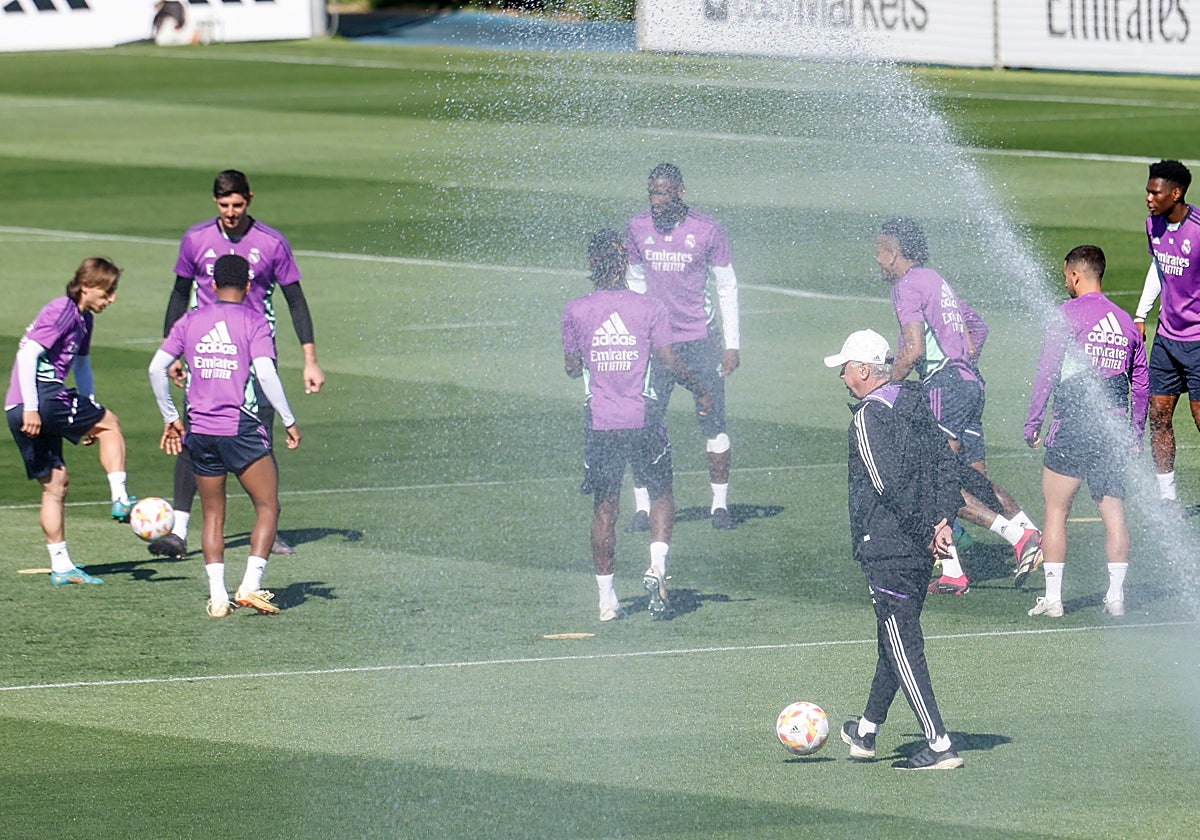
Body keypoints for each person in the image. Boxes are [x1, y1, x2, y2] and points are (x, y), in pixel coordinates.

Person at [149, 169, 324, 560]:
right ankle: (178, 532)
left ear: (250, 199)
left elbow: (295, 299)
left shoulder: (271, 243)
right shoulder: (196, 239)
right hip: (208, 354)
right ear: (215, 201)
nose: (231, 212)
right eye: (225, 205)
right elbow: (179, 294)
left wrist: (310, 359)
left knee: (260, 438)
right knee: (195, 434)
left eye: (238, 205)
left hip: (256, 354)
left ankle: (269, 530)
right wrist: (171, 351)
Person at [877, 217, 1044, 593]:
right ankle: (1024, 534)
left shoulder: (906, 286)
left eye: (879, 252)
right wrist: (962, 364)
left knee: (932, 480)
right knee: (969, 478)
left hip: (945, 387)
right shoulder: (936, 281)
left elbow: (913, 349)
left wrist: (888, 390)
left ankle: (1016, 539)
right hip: (969, 385)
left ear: (893, 253)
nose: (877, 260)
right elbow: (977, 328)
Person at [824, 329, 964, 770]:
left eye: (845, 369)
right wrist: (943, 521)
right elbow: (947, 464)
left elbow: (887, 486)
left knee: (903, 644)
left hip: (888, 548)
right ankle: (865, 731)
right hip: (916, 547)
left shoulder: (867, 418)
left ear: (864, 371)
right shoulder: (916, 404)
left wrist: (925, 529)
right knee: (894, 638)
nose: (842, 378)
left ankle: (939, 744)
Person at [562, 230, 712, 621]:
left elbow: (572, 367)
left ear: (591, 265)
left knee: (605, 508)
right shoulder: (650, 308)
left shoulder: (576, 311)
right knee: (661, 493)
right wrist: (700, 387)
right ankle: (656, 567)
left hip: (601, 423)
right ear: (626, 264)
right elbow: (669, 361)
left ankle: (607, 601)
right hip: (644, 419)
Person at [149, 254, 302, 618]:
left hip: (200, 430)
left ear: (213, 285)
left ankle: (218, 598)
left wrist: (171, 417)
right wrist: (288, 418)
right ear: (249, 286)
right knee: (268, 506)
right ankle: (249, 585)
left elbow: (156, 369)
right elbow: (265, 374)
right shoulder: (254, 321)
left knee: (213, 514)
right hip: (240, 428)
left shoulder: (190, 320)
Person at [1024, 246, 1147, 618]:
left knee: (1056, 510)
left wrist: (1033, 421)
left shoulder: (1066, 315)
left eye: (1066, 275)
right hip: (1113, 430)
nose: (1066, 282)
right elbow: (1141, 386)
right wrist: (1135, 435)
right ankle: (1116, 598)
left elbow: (1047, 371)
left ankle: (1054, 599)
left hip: (1073, 426)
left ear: (1075, 275)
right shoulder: (1126, 323)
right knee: (1115, 515)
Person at [623, 163, 741, 531]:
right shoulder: (637, 227)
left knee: (712, 420)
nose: (656, 200)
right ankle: (643, 508)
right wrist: (638, 336)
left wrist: (732, 344)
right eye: (652, 193)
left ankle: (719, 505)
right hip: (656, 346)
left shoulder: (707, 229)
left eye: (662, 192)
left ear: (680, 192)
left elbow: (726, 286)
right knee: (643, 422)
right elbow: (634, 282)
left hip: (700, 341)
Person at [5, 257, 135, 586]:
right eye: (107, 292)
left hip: (16, 406)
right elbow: (27, 354)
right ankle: (121, 499)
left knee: (55, 484)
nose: (112, 299)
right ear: (87, 287)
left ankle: (61, 566)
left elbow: (82, 364)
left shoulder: (83, 318)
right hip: (41, 398)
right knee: (110, 425)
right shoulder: (63, 309)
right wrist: (32, 408)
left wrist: (88, 407)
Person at [1133, 160, 1200, 505]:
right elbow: (1158, 266)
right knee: (1158, 416)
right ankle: (1167, 500)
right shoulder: (1153, 225)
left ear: (1175, 194)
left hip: (1198, 343)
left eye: (1154, 192)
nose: (1148, 198)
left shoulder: (1198, 230)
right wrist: (1141, 314)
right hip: (1166, 340)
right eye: (1147, 191)